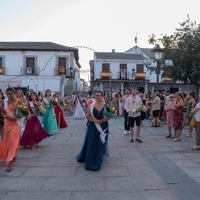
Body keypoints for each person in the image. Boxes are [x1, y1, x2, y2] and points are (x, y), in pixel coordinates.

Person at [76, 91, 110, 171]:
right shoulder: (91, 105)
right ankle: (91, 158)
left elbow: (110, 115)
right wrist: (95, 121)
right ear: (94, 96)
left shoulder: (106, 105)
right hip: (93, 126)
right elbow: (88, 116)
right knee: (92, 142)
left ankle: (98, 156)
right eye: (96, 95)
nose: (98, 97)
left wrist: (105, 119)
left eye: (99, 95)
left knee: (101, 142)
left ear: (102, 96)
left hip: (103, 126)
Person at [0, 87, 21, 172]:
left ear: (14, 93)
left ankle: (10, 161)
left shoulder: (18, 101)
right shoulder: (4, 101)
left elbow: (22, 113)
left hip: (15, 124)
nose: (9, 95)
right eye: (7, 94)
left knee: (13, 141)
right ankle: (12, 155)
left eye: (10, 94)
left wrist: (17, 116)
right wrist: (6, 116)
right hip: (7, 123)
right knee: (7, 141)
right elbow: (1, 111)